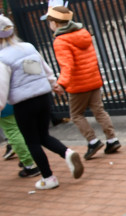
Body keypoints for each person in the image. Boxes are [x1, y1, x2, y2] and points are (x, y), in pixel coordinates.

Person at [0, 15, 84, 189]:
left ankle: (49, 178)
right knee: (43, 135)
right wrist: (54, 84)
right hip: (44, 97)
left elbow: (2, 86)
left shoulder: (2, 57)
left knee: (32, 141)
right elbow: (43, 68)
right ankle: (67, 152)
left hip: (23, 103)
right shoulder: (28, 47)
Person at [44, 4, 120, 160]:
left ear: (56, 23)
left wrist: (62, 84)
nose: (49, 25)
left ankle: (93, 141)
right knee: (99, 110)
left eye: (50, 21)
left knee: (76, 114)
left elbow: (67, 65)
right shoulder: (83, 33)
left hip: (78, 84)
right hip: (93, 79)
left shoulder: (60, 41)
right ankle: (112, 139)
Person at [1, 102, 39, 177]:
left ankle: (29, 165)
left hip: (3, 106)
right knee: (19, 129)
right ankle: (27, 158)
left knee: (13, 132)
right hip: (14, 101)